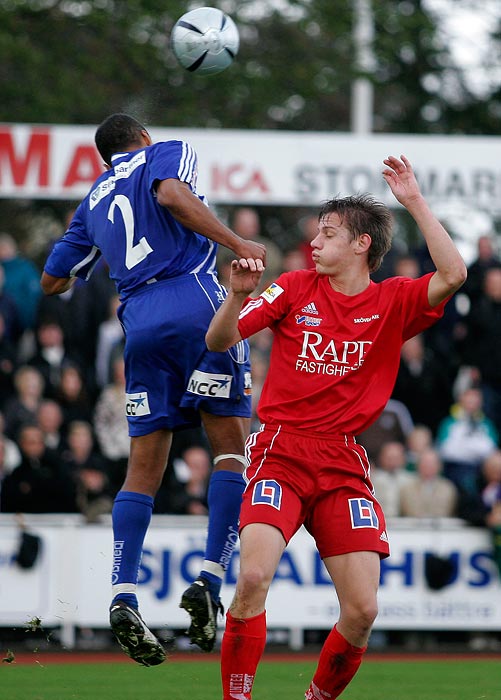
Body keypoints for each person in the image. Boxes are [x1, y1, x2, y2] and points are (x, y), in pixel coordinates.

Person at [205, 155, 466, 700]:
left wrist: (413, 200)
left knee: (364, 610)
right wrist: (235, 296)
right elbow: (219, 342)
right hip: (280, 449)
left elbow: (453, 275)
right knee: (252, 579)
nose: (315, 243)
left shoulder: (392, 301)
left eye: (327, 234)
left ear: (361, 245)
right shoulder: (295, 286)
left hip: (344, 458)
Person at [40, 113, 266, 666]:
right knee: (232, 450)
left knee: (143, 465)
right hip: (195, 303)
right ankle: (210, 580)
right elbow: (171, 196)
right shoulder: (166, 150)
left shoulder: (93, 199)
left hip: (138, 321)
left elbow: (52, 281)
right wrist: (239, 242)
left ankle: (122, 592)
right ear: (141, 136)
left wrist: (98, 258)